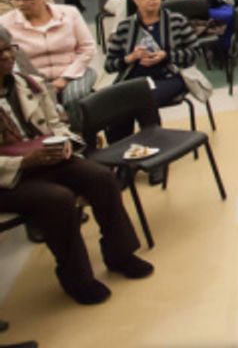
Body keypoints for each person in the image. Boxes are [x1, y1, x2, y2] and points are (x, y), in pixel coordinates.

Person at [0, 34, 152, 306]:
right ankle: (77, 279)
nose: (7, 57)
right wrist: (23, 161)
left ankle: (120, 254)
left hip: (45, 158)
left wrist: (66, 142)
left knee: (102, 178)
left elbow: (56, 123)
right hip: (9, 176)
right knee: (58, 199)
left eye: (9, 49)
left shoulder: (27, 83)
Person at [104, 0, 200, 140]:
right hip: (135, 78)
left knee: (141, 100)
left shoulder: (177, 21)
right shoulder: (125, 27)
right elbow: (109, 65)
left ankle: (155, 145)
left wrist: (166, 55)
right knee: (119, 101)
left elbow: (195, 52)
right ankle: (122, 148)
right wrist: (130, 58)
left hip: (170, 76)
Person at [0, 0, 96, 124]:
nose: (20, 4)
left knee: (75, 97)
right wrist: (37, 82)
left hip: (74, 72)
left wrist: (65, 78)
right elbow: (12, 60)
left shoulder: (69, 13)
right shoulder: (5, 22)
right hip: (31, 78)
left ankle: (81, 134)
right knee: (36, 103)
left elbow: (87, 48)